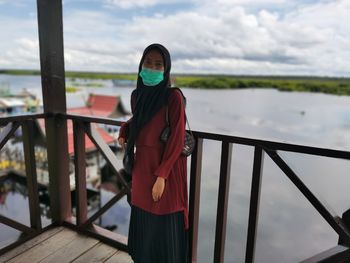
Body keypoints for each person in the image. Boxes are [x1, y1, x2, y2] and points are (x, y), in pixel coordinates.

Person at [118, 43, 189, 263]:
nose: (152, 67)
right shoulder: (137, 95)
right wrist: (125, 129)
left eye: (158, 64)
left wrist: (162, 176)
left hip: (165, 169)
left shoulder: (173, 97)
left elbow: (177, 137)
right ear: (141, 65)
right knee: (144, 222)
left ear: (165, 70)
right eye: (148, 62)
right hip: (142, 167)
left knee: (165, 227)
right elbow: (140, 119)